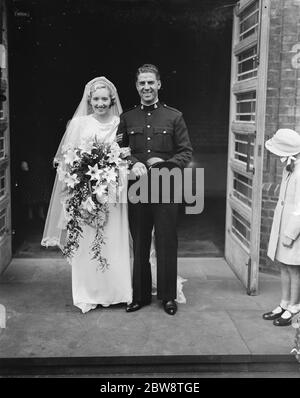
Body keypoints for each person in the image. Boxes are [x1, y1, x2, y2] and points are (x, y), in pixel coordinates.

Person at [41, 77, 133, 313]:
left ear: (112, 100)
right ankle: (87, 293)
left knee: (113, 240)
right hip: (84, 193)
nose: (100, 103)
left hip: (112, 194)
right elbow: (66, 160)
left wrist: (110, 174)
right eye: (96, 99)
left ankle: (118, 292)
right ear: (89, 100)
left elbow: (124, 156)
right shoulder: (79, 124)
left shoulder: (120, 123)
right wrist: (83, 185)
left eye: (105, 99)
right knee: (87, 241)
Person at [118, 64, 193, 315]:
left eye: (151, 83)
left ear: (159, 84)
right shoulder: (127, 118)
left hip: (166, 187)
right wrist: (133, 163)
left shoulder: (174, 116)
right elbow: (119, 152)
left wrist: (166, 163)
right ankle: (139, 296)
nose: (146, 87)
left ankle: (168, 297)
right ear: (136, 86)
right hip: (137, 189)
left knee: (166, 241)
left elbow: (186, 152)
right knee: (140, 242)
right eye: (142, 83)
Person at [263, 128, 300, 326]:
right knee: (284, 265)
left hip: (295, 231)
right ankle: (284, 303)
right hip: (284, 226)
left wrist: (290, 234)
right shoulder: (291, 167)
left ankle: (295, 305)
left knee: (294, 268)